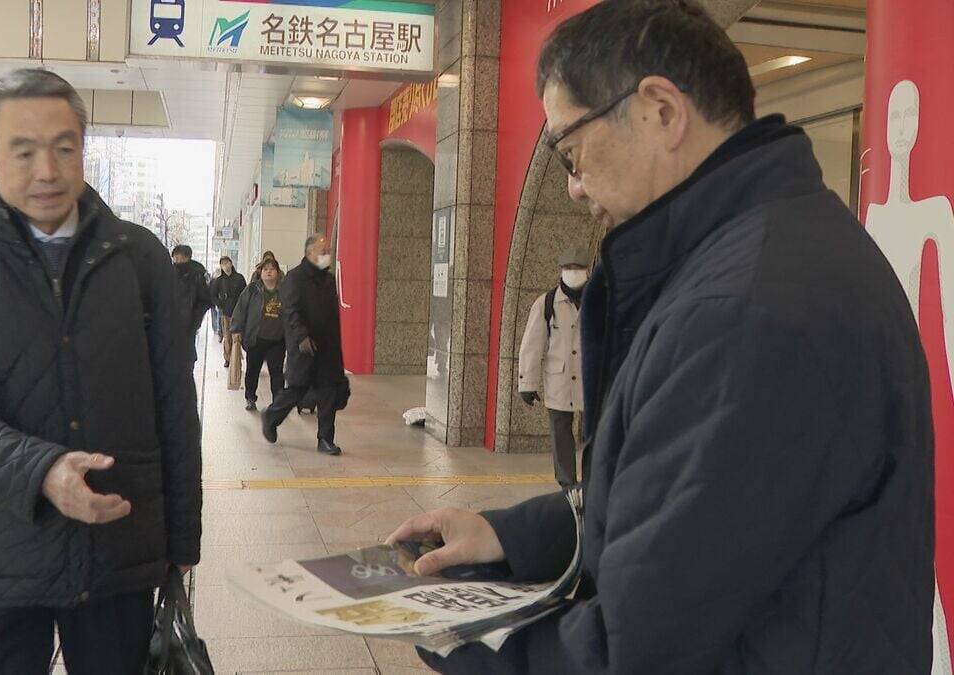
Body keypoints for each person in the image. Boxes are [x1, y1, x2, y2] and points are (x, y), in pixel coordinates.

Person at [388, 2, 934, 672]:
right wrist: (508, 536)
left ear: (661, 111)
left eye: (572, 150)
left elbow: (640, 645)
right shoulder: (763, 250)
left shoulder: (750, 309)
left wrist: (466, 640)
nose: (574, 186)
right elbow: (677, 510)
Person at [0, 68, 202, 675]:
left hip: (118, 552)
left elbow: (176, 406)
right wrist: (41, 471)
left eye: (64, 148)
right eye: (24, 150)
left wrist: (181, 544)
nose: (47, 170)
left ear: (82, 149)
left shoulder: (140, 260)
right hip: (5, 555)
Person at [261, 234, 347, 456]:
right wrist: (301, 337)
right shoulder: (294, 278)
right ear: (310, 253)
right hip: (304, 345)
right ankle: (271, 415)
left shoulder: (328, 280)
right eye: (323, 251)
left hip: (327, 346)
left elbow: (332, 316)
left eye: (328, 250)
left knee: (327, 391)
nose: (327, 255)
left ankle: (325, 439)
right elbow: (290, 311)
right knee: (297, 390)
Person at [517, 246, 589, 487]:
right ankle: (567, 483)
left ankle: (592, 479)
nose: (573, 272)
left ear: (588, 271)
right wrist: (527, 383)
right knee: (561, 433)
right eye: (569, 268)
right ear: (561, 270)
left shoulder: (600, 300)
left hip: (590, 379)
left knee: (594, 434)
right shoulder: (547, 303)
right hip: (559, 378)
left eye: (578, 268)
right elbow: (532, 344)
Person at [231, 259, 285, 411]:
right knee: (253, 370)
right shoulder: (253, 289)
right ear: (260, 273)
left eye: (272, 269)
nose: (269, 272)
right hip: (256, 338)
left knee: (277, 373)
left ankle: (278, 401)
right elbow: (240, 309)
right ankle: (250, 397)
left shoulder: (284, 291)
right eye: (265, 269)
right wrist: (236, 329)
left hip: (278, 339)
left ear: (278, 273)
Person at [171, 244, 211, 361]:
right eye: (176, 258)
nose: (178, 261)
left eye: (181, 258)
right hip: (170, 321)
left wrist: (195, 320)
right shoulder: (168, 272)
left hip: (189, 321)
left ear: (188, 258)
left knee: (187, 356)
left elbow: (205, 300)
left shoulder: (197, 274)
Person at [210, 256, 247, 368]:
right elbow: (213, 295)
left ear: (231, 264)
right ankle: (227, 358)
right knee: (227, 336)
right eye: (223, 264)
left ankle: (236, 357)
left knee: (237, 336)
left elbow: (245, 293)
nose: (225, 266)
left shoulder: (239, 278)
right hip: (225, 312)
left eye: (227, 263)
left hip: (238, 312)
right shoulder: (219, 280)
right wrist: (220, 304)